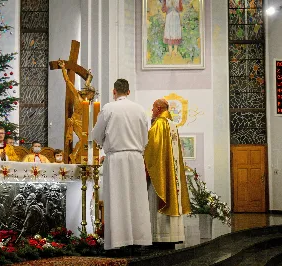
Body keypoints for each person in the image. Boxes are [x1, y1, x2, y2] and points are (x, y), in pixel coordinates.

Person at [92, 78, 152, 251]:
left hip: (116, 158)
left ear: (114, 91)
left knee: (117, 199)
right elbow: (144, 138)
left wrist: (105, 143)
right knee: (137, 200)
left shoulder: (109, 108)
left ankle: (118, 243)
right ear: (128, 92)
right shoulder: (139, 109)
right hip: (135, 157)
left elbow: (97, 135)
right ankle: (139, 241)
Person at [144, 99, 191, 244]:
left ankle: (159, 236)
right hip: (172, 172)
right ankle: (174, 236)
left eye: (153, 108)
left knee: (155, 200)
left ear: (158, 108)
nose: (152, 111)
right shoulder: (172, 125)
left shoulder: (158, 124)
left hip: (161, 173)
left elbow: (152, 149)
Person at [57, 60, 95, 163]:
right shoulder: (77, 95)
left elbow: (87, 83)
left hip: (82, 121)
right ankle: (73, 155)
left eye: (92, 95)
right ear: (88, 93)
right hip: (74, 120)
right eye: (91, 94)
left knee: (84, 140)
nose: (92, 96)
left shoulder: (87, 101)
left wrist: (89, 77)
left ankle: (76, 155)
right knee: (83, 139)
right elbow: (68, 82)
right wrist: (64, 69)